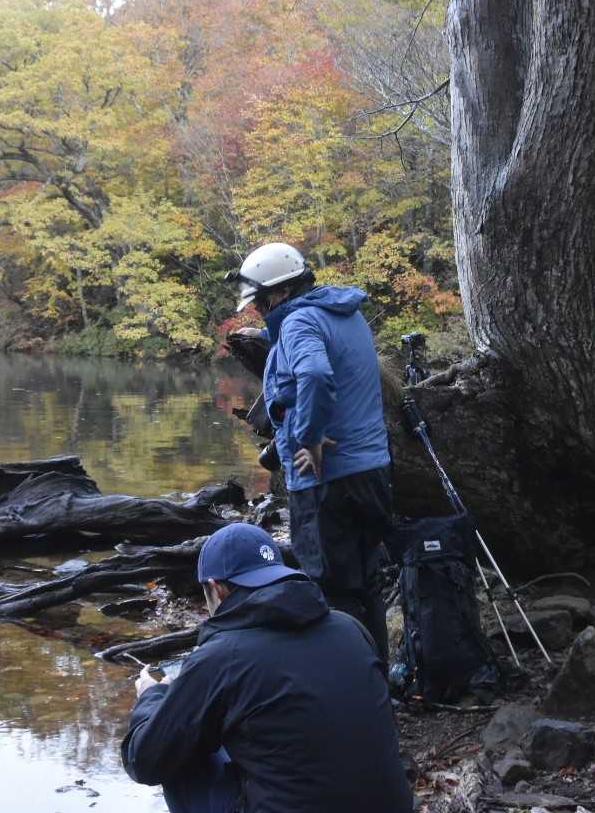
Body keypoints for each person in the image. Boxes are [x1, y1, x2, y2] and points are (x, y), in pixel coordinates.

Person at [121, 522, 413, 813]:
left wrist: (151, 697)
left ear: (216, 589)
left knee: (176, 755)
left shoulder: (221, 657)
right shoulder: (350, 627)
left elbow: (144, 762)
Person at [226, 242, 394, 662]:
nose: (258, 310)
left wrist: (308, 437)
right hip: (371, 469)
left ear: (281, 292)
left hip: (325, 479)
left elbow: (316, 373)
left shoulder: (300, 322)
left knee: (331, 588)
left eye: (261, 301)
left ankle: (345, 681)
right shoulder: (345, 314)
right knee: (367, 582)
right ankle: (375, 680)